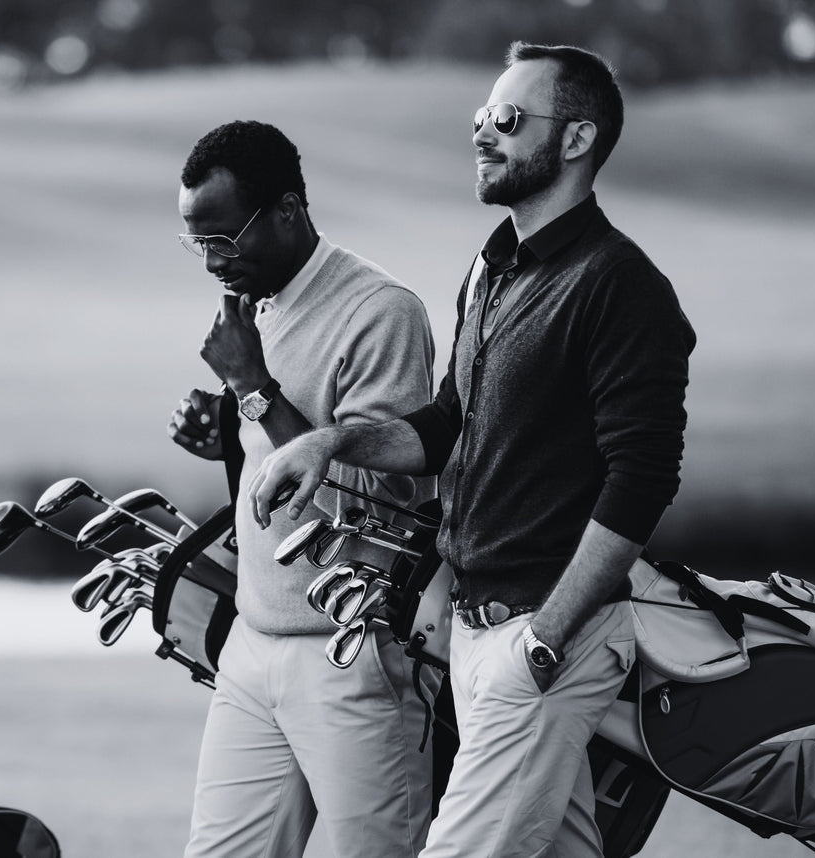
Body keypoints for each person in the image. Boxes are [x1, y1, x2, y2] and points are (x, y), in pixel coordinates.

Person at [248, 43, 696, 858]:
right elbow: (444, 427)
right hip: (478, 632)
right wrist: (330, 441)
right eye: (482, 117)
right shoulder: (493, 269)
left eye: (510, 119)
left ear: (576, 140)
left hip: (551, 635)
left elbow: (642, 479)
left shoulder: (619, 284)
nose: (485, 134)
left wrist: (549, 635)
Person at [167, 120, 438, 858]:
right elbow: (276, 466)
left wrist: (252, 388)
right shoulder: (256, 300)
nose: (214, 263)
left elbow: (376, 501)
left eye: (226, 239)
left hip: (350, 656)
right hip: (253, 648)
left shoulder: (381, 313)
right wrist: (228, 427)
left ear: (288, 210)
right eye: (199, 243)